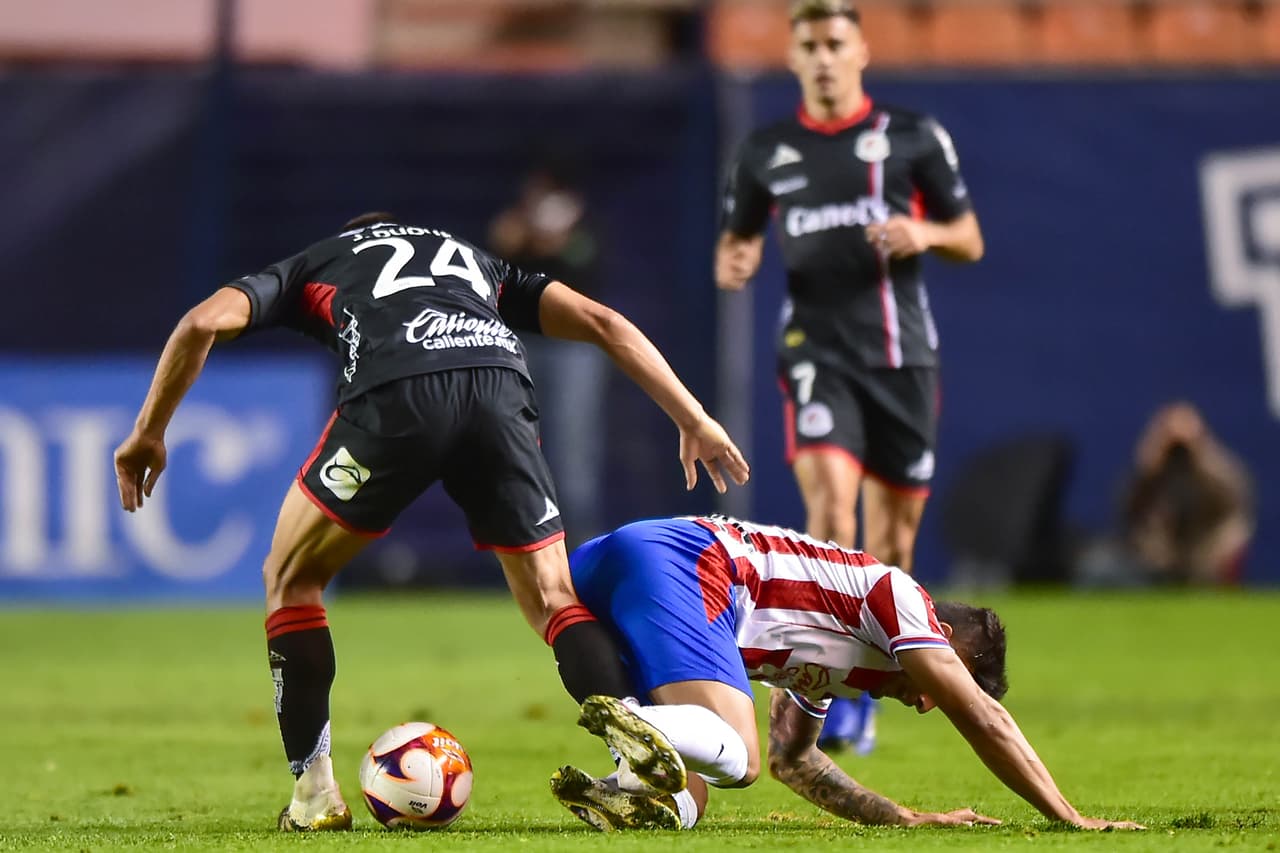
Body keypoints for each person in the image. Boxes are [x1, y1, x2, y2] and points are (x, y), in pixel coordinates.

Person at [112, 213, 749, 831]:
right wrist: (693, 417)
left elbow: (201, 323)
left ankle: (314, 793)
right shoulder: (475, 261)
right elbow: (604, 322)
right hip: (500, 389)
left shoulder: (320, 262)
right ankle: (637, 757)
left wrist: (148, 433)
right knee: (555, 598)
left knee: (291, 578)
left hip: (398, 392)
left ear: (352, 236)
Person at [714, 0, 985, 753]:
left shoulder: (911, 137)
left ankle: (865, 682)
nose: (825, 57)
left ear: (861, 49)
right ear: (795, 57)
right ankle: (827, 695)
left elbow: (969, 236)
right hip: (815, 352)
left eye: (836, 43)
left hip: (902, 356)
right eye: (810, 45)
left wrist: (921, 230)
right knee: (833, 518)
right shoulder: (764, 150)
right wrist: (737, 262)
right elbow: (732, 246)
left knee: (893, 543)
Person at [548, 515, 1144, 833]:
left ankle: (619, 787)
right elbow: (983, 717)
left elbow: (796, 760)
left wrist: (907, 817)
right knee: (739, 756)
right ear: (945, 639)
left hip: (618, 570)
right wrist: (1068, 817)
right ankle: (635, 720)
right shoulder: (901, 597)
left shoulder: (839, 663)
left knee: (691, 792)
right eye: (955, 678)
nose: (931, 702)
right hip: (687, 561)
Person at [489, 164, 610, 543]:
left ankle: (579, 550)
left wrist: (552, 240)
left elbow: (585, 266)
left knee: (574, 454)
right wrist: (524, 236)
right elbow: (495, 265)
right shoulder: (515, 223)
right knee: (515, 447)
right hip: (520, 344)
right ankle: (519, 550)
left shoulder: (585, 226)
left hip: (573, 347)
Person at [1076, 401, 1254, 587]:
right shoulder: (1148, 476)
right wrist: (1151, 462)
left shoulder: (1218, 476)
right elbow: (1126, 515)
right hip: (1152, 564)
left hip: (1203, 561)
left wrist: (1200, 457)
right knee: (1100, 564)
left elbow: (1235, 521)